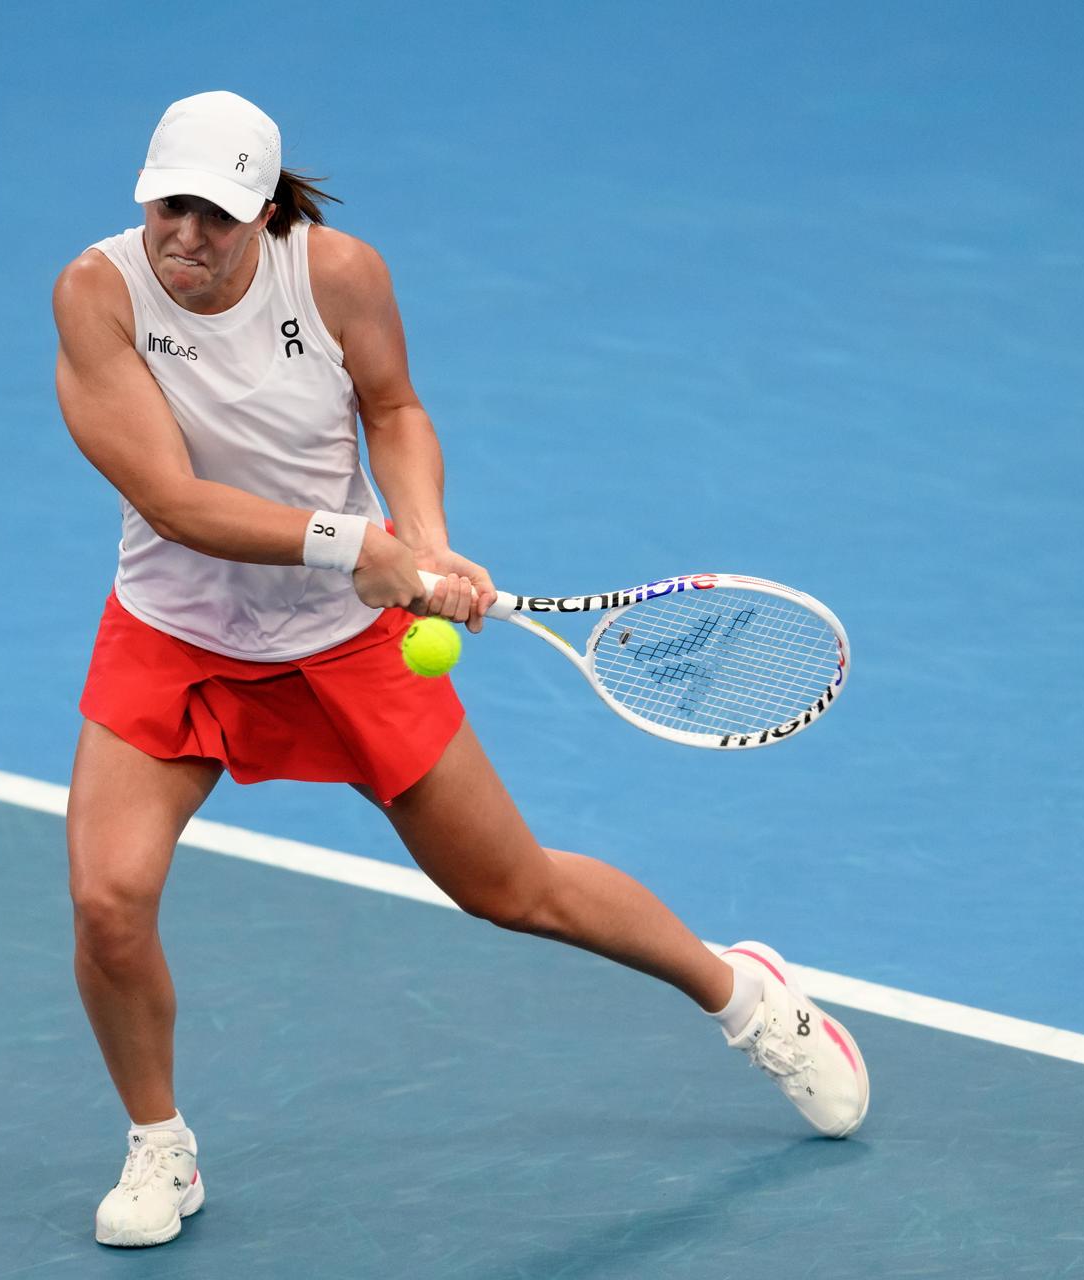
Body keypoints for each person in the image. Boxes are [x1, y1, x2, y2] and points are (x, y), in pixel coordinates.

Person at [51, 90, 868, 1249]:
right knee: (108, 900)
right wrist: (360, 544)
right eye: (168, 205)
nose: (186, 235)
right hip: (175, 635)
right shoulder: (97, 293)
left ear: (265, 211)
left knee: (512, 887)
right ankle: (158, 1142)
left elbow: (393, 408)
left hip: (345, 639)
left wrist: (424, 539)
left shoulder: (337, 275)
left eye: (216, 215)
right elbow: (173, 501)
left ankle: (744, 994)